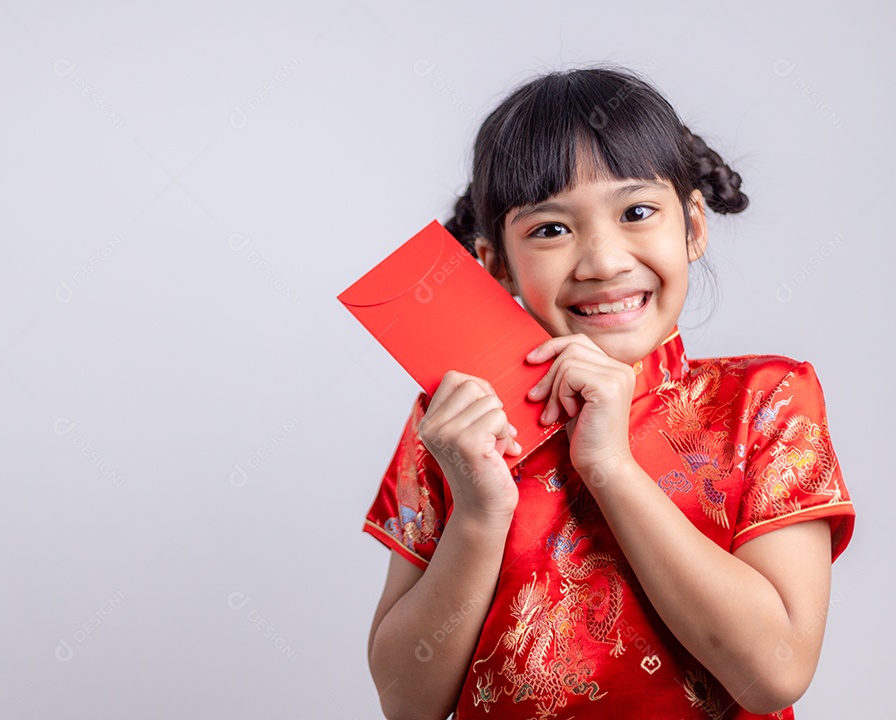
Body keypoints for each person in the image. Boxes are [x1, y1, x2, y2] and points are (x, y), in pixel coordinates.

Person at [362, 65, 854, 720]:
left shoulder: (764, 400)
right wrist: (479, 512)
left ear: (693, 227)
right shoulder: (456, 422)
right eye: (550, 229)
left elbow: (776, 673)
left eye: (638, 212)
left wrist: (610, 468)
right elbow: (406, 703)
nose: (602, 261)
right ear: (493, 265)